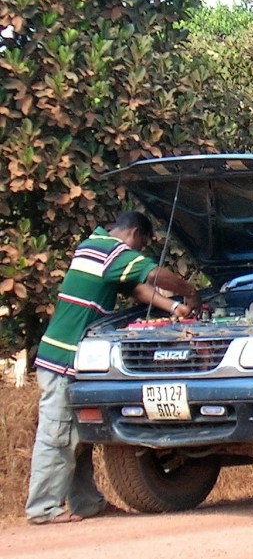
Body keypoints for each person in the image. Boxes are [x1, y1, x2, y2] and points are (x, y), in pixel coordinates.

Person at [25, 211, 200, 525]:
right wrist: (188, 291)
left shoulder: (92, 247)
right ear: (134, 234)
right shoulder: (111, 252)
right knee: (58, 435)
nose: (139, 253)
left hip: (68, 358)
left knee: (77, 436)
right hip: (63, 359)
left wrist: (174, 308)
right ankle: (43, 508)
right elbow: (153, 276)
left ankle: (86, 503)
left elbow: (138, 289)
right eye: (141, 247)